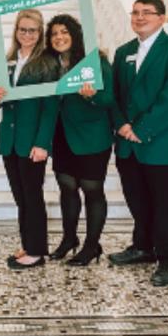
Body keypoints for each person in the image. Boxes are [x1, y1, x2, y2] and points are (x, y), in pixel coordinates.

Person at [109, 0, 168, 287]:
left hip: (160, 142)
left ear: (162, 18)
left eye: (147, 12)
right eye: (135, 12)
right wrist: (121, 124)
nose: (139, 17)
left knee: (165, 205)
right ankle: (143, 247)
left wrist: (142, 129)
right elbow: (115, 95)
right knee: (137, 200)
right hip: (127, 143)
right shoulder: (123, 53)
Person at [0, 9, 59, 270]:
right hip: (10, 139)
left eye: (32, 30)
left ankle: (37, 251)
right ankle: (28, 244)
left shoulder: (47, 63)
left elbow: (50, 107)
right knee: (21, 198)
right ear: (16, 31)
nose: (27, 34)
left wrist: (43, 143)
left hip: (32, 142)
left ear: (40, 32)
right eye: (22, 29)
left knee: (32, 196)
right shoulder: (8, 60)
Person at [45, 14, 115, 266]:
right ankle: (69, 239)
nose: (59, 37)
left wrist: (92, 95)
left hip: (92, 138)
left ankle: (91, 245)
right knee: (67, 188)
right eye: (54, 33)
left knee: (92, 190)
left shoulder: (95, 61)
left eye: (64, 32)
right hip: (62, 136)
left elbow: (109, 99)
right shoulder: (49, 64)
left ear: (75, 35)